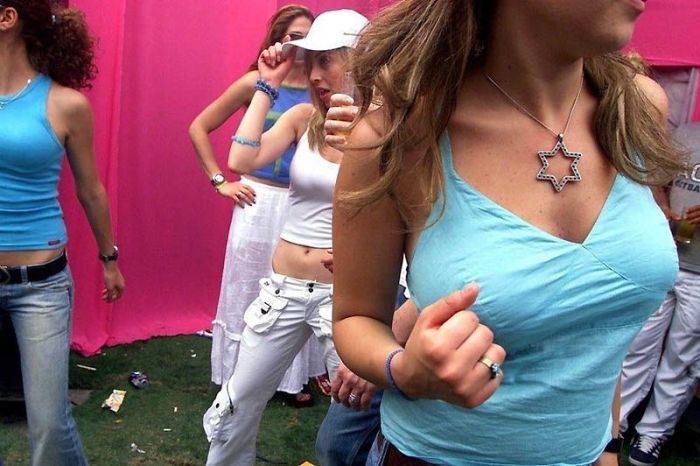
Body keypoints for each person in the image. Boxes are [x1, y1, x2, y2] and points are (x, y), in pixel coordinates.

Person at [327, 1, 685, 465]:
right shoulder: (401, 134)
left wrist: (610, 444)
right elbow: (355, 318)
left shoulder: (636, 109)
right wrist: (406, 372)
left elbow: (597, 321)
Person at [201, 10, 369, 466]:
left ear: (359, 61)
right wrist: (266, 84)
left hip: (348, 297)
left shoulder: (387, 126)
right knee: (234, 407)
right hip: (284, 289)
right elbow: (240, 158)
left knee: (357, 415)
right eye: (309, 61)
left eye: (326, 61)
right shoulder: (301, 117)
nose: (314, 75)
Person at [0, 2, 125, 465]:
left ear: (7, 18)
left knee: (50, 423)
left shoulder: (65, 104)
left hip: (41, 285)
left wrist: (108, 259)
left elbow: (91, 190)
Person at [188, 4, 325, 406]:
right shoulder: (256, 83)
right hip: (257, 201)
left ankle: (293, 379)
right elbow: (199, 126)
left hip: (303, 206)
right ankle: (237, 376)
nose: (301, 45)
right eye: (293, 36)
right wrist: (220, 182)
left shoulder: (323, 91)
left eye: (308, 37)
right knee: (248, 287)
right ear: (277, 41)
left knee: (297, 290)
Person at [620, 121, 700, 466]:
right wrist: (661, 200)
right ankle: (615, 421)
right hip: (665, 255)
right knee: (638, 342)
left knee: (682, 356)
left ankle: (654, 431)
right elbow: (654, 176)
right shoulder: (686, 133)